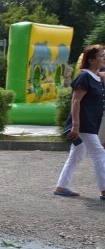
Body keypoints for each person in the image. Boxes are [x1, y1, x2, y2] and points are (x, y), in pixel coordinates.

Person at [53, 45, 105, 200]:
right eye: (102, 55)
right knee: (99, 153)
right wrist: (75, 125)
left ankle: (61, 186)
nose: (104, 58)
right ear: (91, 60)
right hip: (84, 123)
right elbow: (76, 101)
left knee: (77, 153)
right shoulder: (84, 77)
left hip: (90, 123)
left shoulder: (96, 76)